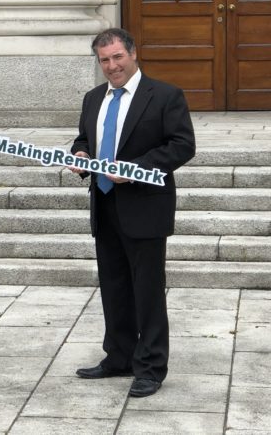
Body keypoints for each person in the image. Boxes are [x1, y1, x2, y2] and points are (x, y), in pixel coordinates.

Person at [70, 28, 195, 397]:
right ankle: (119, 356)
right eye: (105, 60)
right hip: (105, 205)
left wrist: (134, 168)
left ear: (133, 54)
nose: (112, 66)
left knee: (148, 291)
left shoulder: (165, 96)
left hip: (145, 208)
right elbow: (83, 138)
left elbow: (182, 146)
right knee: (114, 287)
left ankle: (151, 367)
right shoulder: (94, 99)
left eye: (117, 57)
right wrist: (79, 154)